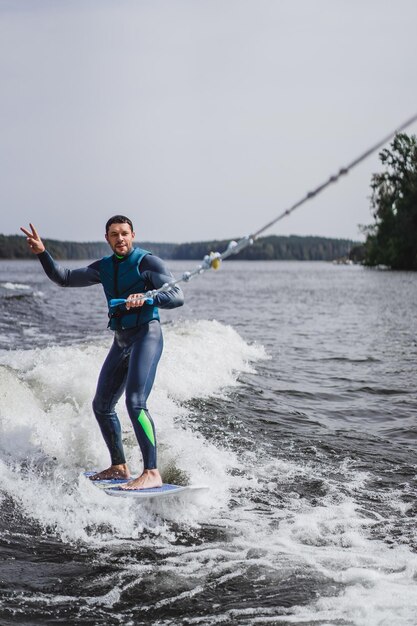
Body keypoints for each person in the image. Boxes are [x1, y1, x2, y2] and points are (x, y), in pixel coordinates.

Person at [20, 217, 184, 490]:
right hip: (121, 341)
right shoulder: (104, 267)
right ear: (107, 238)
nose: (120, 239)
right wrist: (42, 253)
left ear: (133, 235)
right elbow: (64, 278)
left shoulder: (147, 263)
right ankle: (119, 467)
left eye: (124, 234)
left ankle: (152, 472)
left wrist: (148, 297)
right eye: (114, 235)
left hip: (146, 335)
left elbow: (177, 296)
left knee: (135, 402)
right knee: (102, 406)